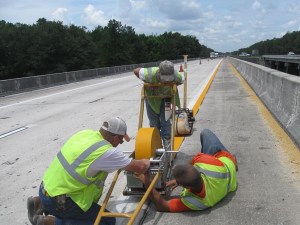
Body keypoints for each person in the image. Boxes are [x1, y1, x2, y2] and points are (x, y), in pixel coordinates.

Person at [27, 117, 150, 225]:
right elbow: (140, 167)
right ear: (115, 138)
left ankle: (39, 203)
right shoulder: (106, 152)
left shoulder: (85, 134)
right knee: (106, 221)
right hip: (60, 203)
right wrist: (148, 161)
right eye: (121, 140)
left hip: (45, 189)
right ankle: (52, 222)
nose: (120, 144)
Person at [135, 128, 238, 212]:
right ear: (199, 171)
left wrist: (146, 181)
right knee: (206, 133)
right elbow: (193, 161)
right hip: (226, 163)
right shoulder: (206, 162)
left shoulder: (196, 202)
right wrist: (179, 180)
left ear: (186, 187)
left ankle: (234, 161)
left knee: (205, 133)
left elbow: (162, 206)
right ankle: (234, 162)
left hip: (225, 163)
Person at [133, 60, 184, 150]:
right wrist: (149, 84)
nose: (166, 82)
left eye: (169, 80)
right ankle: (156, 143)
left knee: (167, 122)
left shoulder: (177, 76)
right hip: (152, 98)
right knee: (154, 123)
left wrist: (172, 86)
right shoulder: (149, 73)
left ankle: (167, 143)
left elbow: (181, 81)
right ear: (159, 73)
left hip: (167, 98)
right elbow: (136, 71)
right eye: (165, 79)